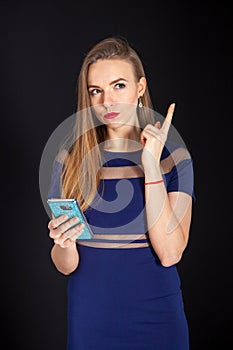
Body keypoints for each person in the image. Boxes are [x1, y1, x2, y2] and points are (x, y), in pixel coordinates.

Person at [47, 36, 195, 350]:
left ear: (140, 87)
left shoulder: (174, 158)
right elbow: (65, 265)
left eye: (119, 86)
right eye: (96, 91)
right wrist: (64, 244)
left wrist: (151, 166)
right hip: (90, 319)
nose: (108, 102)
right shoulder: (69, 159)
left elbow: (170, 253)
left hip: (158, 318)